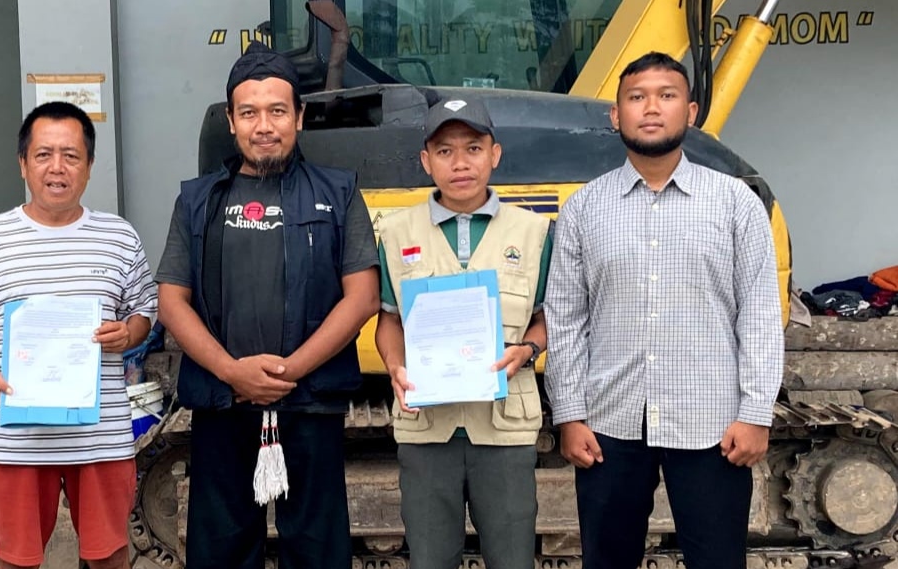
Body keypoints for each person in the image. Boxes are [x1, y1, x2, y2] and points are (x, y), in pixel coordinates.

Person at [544, 51, 784, 569]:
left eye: (666, 96)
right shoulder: (584, 208)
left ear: (690, 112)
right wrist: (569, 414)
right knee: (607, 560)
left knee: (717, 560)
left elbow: (760, 314)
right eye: (636, 97)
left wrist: (755, 412)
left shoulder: (735, 203)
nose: (651, 108)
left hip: (713, 425)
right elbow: (565, 319)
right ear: (616, 115)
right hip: (609, 425)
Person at [154, 41, 379, 569]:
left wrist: (289, 371)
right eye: (249, 112)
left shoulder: (338, 192)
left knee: (319, 550)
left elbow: (363, 297)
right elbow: (171, 301)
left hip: (310, 404)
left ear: (298, 116)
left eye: (277, 110)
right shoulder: (197, 200)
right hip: (222, 404)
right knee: (220, 550)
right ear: (231, 121)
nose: (264, 126)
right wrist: (233, 372)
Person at [0, 101, 158, 569]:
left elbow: (144, 312)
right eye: (43, 155)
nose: (57, 167)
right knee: (18, 561)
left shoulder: (119, 237)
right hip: (15, 440)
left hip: (100, 440)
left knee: (109, 557)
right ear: (23, 163)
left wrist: (129, 333)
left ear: (90, 166)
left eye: (71, 155)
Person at [375, 96, 551, 569]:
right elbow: (389, 319)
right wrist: (394, 366)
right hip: (427, 428)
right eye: (445, 151)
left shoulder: (534, 232)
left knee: (512, 558)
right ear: (425, 161)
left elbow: (547, 316)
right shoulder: (396, 233)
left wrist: (528, 349)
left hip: (504, 428)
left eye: (473, 148)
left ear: (495, 154)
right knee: (430, 559)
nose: (460, 164)